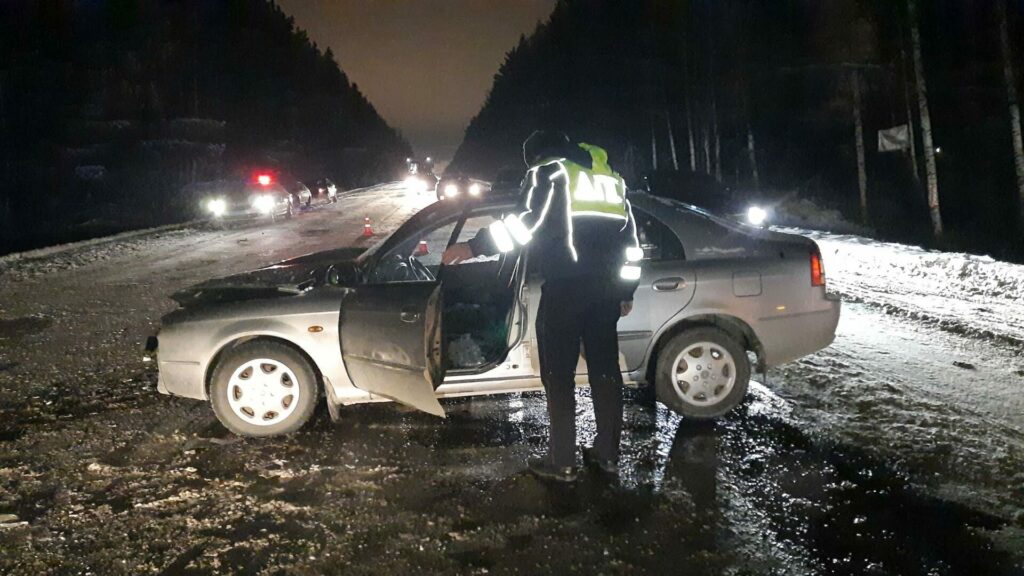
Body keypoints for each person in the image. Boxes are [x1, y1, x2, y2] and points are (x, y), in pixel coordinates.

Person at [442, 131, 643, 482]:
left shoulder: (549, 172)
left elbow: (525, 226)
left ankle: (562, 461)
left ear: (536, 155)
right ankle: (608, 455)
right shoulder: (612, 181)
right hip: (606, 293)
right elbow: (632, 244)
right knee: (606, 373)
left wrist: (473, 248)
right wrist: (626, 291)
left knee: (559, 375)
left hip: (565, 290)